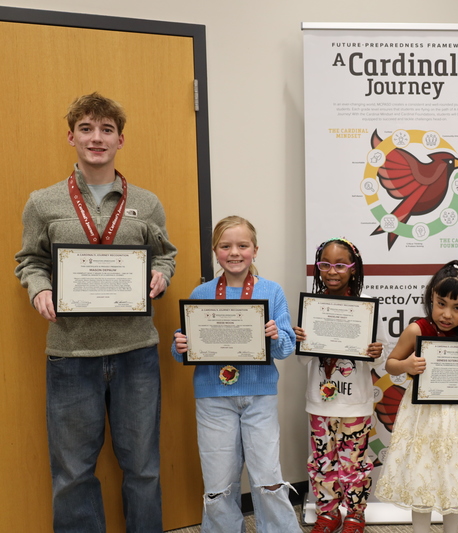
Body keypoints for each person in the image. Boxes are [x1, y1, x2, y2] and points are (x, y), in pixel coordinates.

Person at [14, 92, 177, 532]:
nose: (96, 138)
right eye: (86, 128)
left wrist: (161, 275)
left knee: (143, 468)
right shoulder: (43, 202)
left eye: (107, 129)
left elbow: (165, 255)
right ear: (71, 137)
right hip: (71, 355)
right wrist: (39, 289)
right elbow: (29, 260)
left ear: (120, 139)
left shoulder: (147, 202)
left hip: (136, 353)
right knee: (72, 474)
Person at [172, 216, 301, 533]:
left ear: (255, 249)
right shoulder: (201, 294)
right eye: (225, 246)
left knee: (268, 479)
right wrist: (180, 345)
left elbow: (286, 348)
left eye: (243, 245)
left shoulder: (271, 291)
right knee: (218, 483)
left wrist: (276, 336)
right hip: (213, 399)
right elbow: (184, 348)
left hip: (259, 396)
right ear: (215, 251)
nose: (234, 252)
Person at [374, 260, 458, 533]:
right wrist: (407, 365)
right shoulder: (417, 329)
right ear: (431, 297)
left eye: (457, 308)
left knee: (455, 473)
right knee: (421, 472)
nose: (447, 314)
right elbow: (391, 364)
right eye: (441, 303)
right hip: (424, 416)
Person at [293, 237, 386, 533]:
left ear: (353, 268)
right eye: (325, 264)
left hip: (355, 404)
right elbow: (301, 361)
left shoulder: (365, 306)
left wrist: (376, 351)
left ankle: (355, 514)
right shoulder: (312, 306)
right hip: (319, 404)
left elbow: (379, 357)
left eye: (340, 265)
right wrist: (300, 341)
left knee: (354, 464)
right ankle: (328, 513)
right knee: (323, 462)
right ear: (318, 268)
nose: (332, 271)